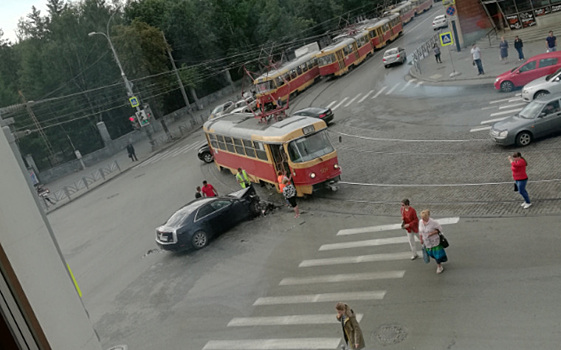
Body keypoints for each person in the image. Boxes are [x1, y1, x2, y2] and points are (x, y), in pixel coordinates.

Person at [419, 209, 447, 274]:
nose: (422, 219)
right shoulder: (420, 222)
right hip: (427, 241)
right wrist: (421, 239)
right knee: (431, 254)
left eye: (424, 218)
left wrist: (433, 233)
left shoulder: (433, 222)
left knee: (437, 254)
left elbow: (440, 229)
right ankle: (439, 261)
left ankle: (439, 266)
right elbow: (420, 231)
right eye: (422, 218)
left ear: (427, 217)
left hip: (435, 241)